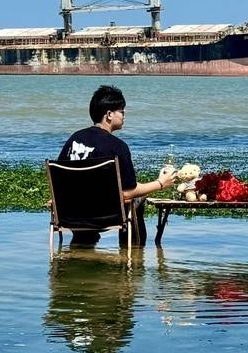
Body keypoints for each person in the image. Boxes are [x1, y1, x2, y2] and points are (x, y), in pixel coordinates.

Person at [58, 85, 176, 245]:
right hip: (104, 215)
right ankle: (134, 255)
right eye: (121, 111)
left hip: (70, 214)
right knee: (138, 198)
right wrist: (161, 183)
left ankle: (84, 240)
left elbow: (59, 179)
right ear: (108, 115)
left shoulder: (74, 139)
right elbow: (127, 193)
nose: (124, 115)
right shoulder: (117, 146)